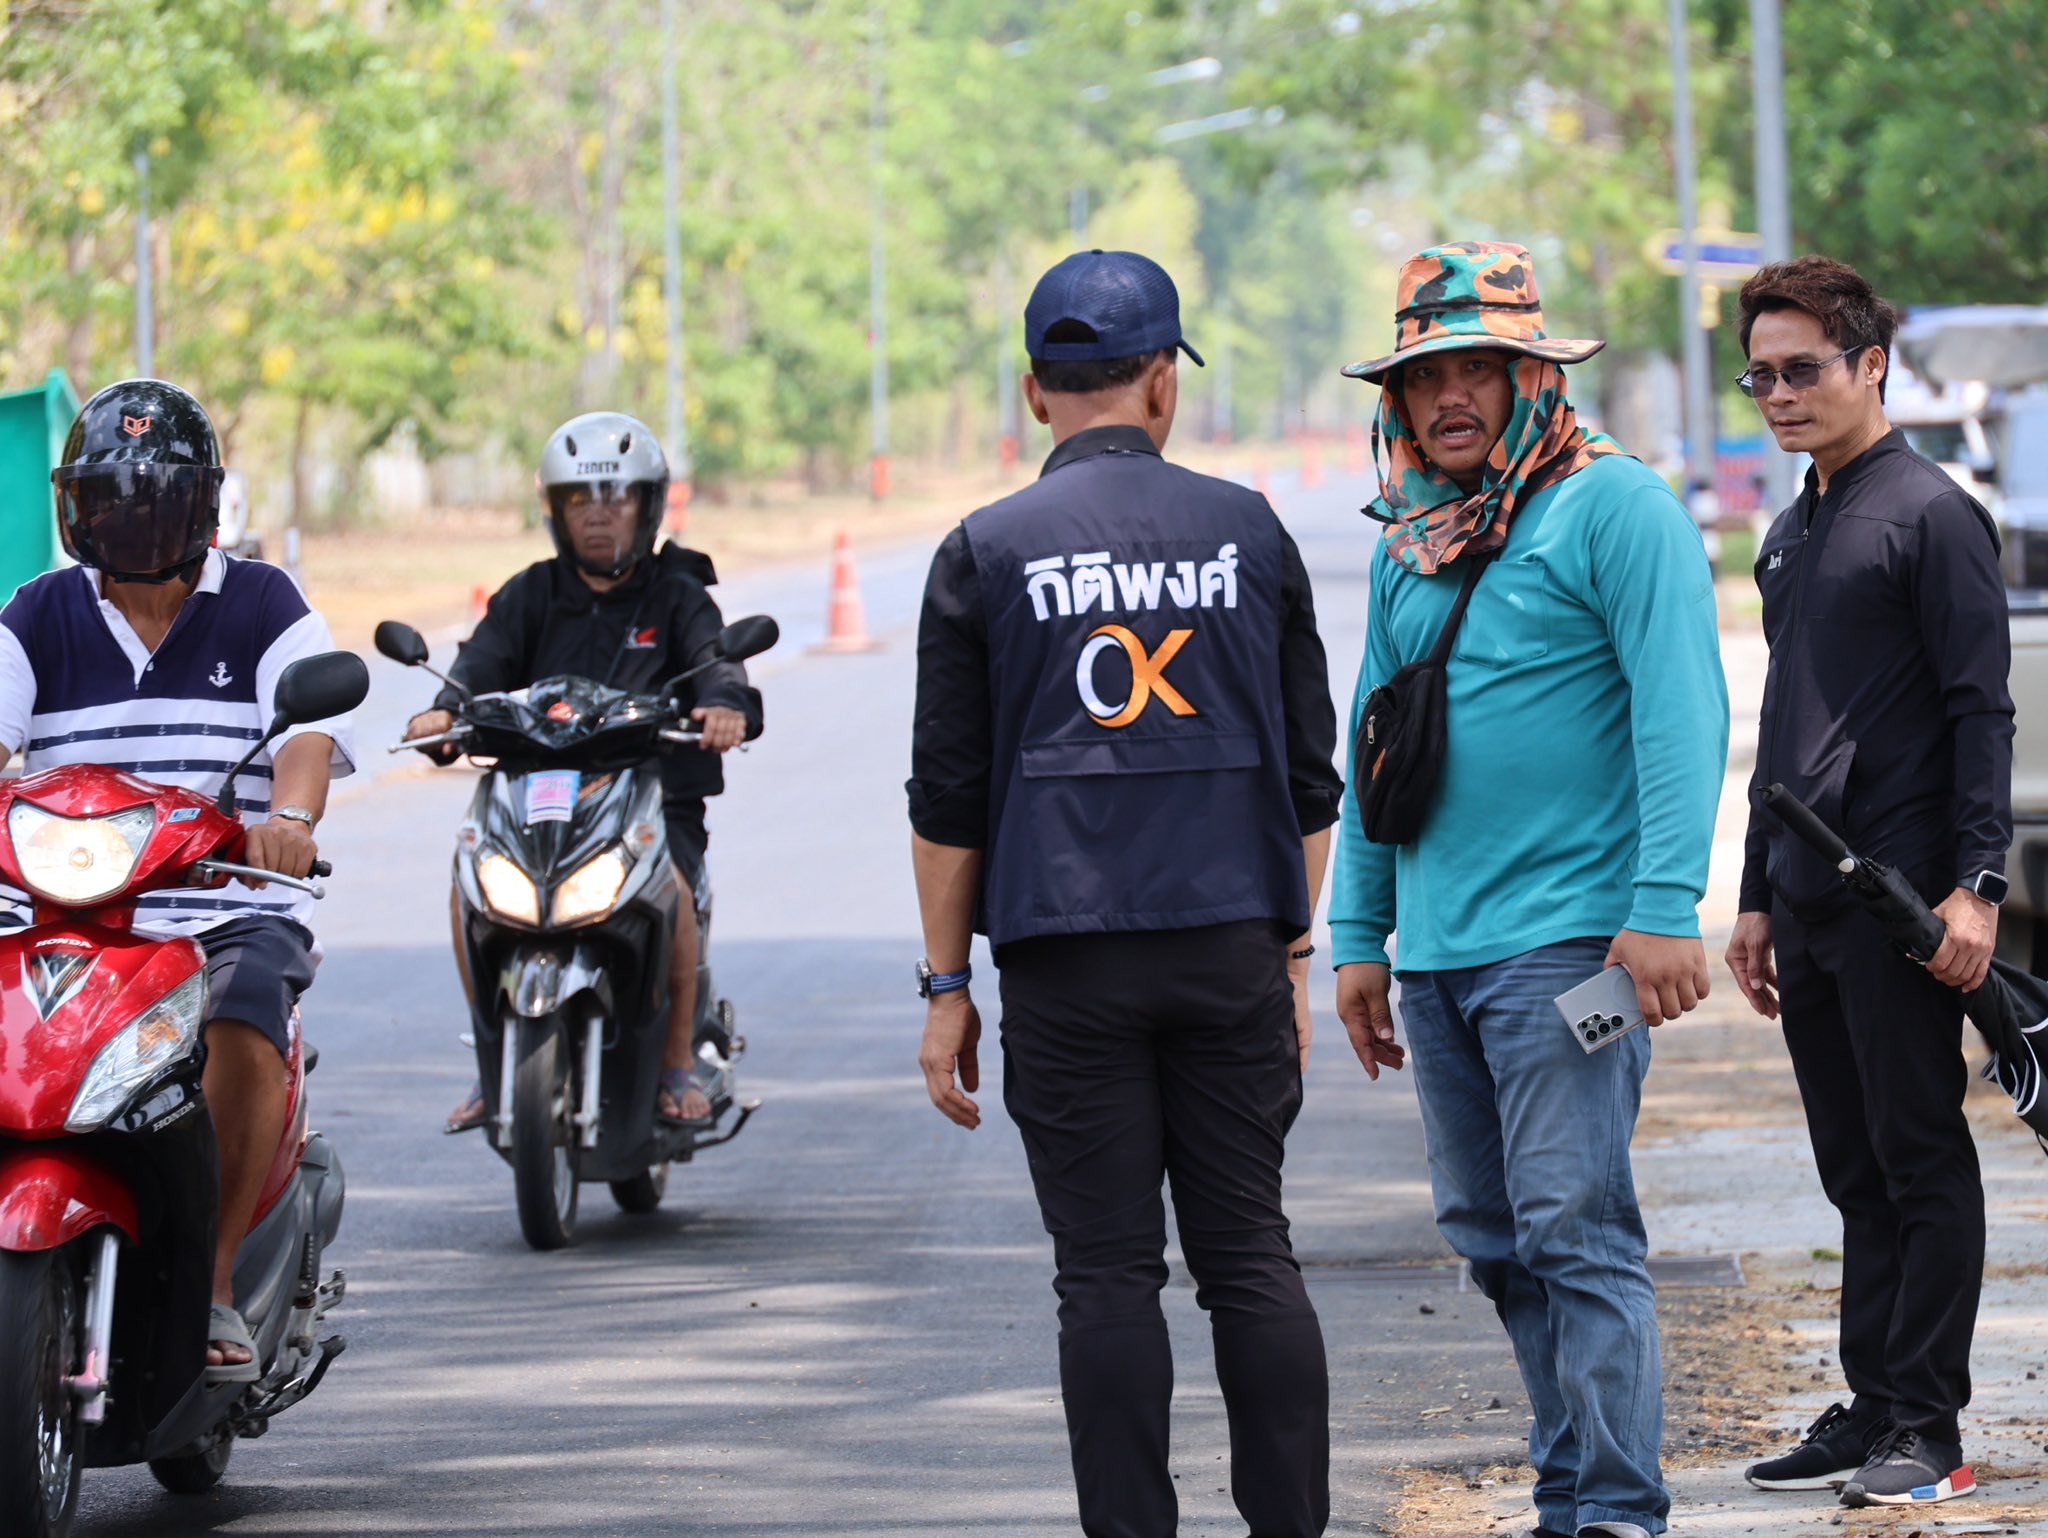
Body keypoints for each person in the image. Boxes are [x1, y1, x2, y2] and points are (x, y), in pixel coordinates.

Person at [908, 249, 1344, 1538]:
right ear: (1163, 382)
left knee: (1102, 1273)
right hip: (1228, 945)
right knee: (1248, 1253)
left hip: (1064, 960)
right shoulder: (1249, 531)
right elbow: (1310, 775)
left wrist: (946, 986)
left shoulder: (983, 549)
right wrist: (1292, 955)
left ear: (1034, 391)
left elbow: (947, 797)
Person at [1328, 242, 1729, 1538]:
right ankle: (1567, 1485)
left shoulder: (1616, 509)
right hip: (1439, 962)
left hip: (1575, 955)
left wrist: (1663, 904)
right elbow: (1372, 743)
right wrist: (1358, 932)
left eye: (1478, 368)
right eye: (1423, 375)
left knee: (1575, 1223)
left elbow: (1682, 713)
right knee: (1491, 1234)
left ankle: (1615, 1506)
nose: (1448, 395)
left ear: (1531, 376)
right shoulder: (1409, 540)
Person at [1725, 257, 2013, 1510]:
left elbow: (1979, 711)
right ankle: (1872, 1399)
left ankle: (1927, 1426)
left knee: (1917, 1154)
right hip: (1805, 899)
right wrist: (1751, 893)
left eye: (1801, 369)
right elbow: (1782, 727)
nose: (1778, 394)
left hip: (1902, 897)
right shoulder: (1790, 529)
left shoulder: (1930, 515)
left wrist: (1976, 887)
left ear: (1869, 364)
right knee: (1851, 1166)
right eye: (1759, 376)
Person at [0, 378, 356, 1383]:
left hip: (222, 907)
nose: (134, 520)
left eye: (157, 500)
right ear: (77, 508)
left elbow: (309, 732)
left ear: (203, 508)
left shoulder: (264, 600)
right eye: (110, 498)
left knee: (241, 1016)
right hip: (61, 909)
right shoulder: (36, 612)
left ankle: (212, 1278)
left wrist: (290, 822)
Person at [407, 412, 760, 1130]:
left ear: (648, 506)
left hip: (649, 796)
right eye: (580, 500)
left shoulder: (677, 596)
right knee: (468, 883)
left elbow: (718, 664)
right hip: (536, 797)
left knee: (673, 889)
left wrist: (725, 706)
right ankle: (492, 1066)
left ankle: (674, 1066)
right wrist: (443, 714)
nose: (598, 515)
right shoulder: (530, 594)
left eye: (616, 498)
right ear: (557, 512)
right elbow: (477, 666)